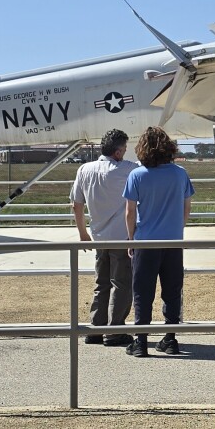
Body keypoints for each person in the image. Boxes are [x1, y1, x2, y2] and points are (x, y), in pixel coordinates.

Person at [122, 126, 195, 357]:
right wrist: (177, 229)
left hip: (146, 242)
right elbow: (186, 209)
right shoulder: (180, 173)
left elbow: (130, 212)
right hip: (173, 241)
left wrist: (131, 240)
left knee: (143, 291)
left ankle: (141, 341)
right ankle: (171, 338)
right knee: (172, 290)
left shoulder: (137, 175)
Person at [70, 129, 137, 346]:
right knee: (122, 284)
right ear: (118, 152)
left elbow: (76, 204)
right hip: (122, 237)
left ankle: (96, 329)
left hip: (98, 236)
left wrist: (83, 233)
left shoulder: (85, 169)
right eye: (125, 150)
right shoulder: (127, 169)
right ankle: (114, 330)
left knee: (101, 283)